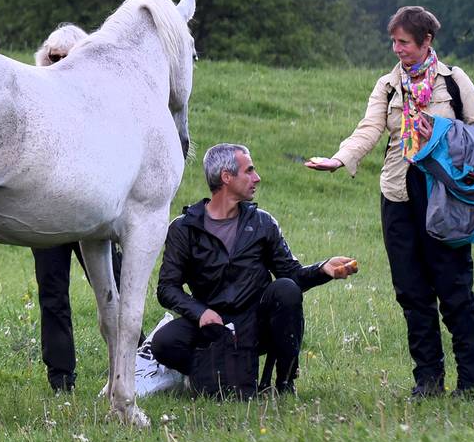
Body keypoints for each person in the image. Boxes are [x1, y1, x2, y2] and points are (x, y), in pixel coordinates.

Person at [305, 5, 474, 398]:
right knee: (411, 292)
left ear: (427, 42)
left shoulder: (454, 82)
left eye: (404, 42)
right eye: (393, 41)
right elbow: (369, 128)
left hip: (445, 198)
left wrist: (442, 131)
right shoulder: (388, 86)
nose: (397, 49)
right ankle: (428, 381)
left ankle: (472, 384)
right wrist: (339, 159)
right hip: (398, 196)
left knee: (455, 291)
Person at [150, 144, 357, 395]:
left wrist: (323, 269)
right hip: (212, 325)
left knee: (285, 290)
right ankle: (208, 372)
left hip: (256, 324)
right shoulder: (184, 229)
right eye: (249, 171)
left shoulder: (262, 223)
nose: (256, 178)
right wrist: (200, 312)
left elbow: (291, 275)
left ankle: (284, 383)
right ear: (226, 177)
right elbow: (166, 288)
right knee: (163, 343)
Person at [29, 24, 107, 392]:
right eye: (54, 57)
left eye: (66, 58)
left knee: (112, 284)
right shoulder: (34, 101)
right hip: (45, 211)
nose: (59, 63)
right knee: (52, 292)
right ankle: (61, 376)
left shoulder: (98, 103)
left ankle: (140, 359)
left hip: (90, 211)